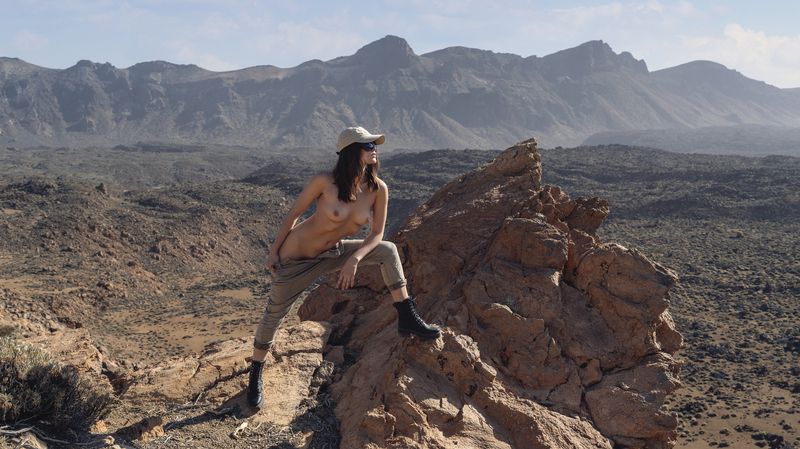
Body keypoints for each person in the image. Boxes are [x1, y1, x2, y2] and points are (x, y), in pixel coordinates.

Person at [247, 126, 440, 407]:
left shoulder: (377, 189)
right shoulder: (324, 182)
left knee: (387, 250)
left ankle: (408, 317)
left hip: (334, 252)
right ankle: (255, 372)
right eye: (368, 145)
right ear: (352, 152)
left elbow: (376, 234)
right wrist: (273, 252)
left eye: (374, 145)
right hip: (296, 259)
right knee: (274, 314)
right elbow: (294, 214)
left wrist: (355, 258)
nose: (374, 149)